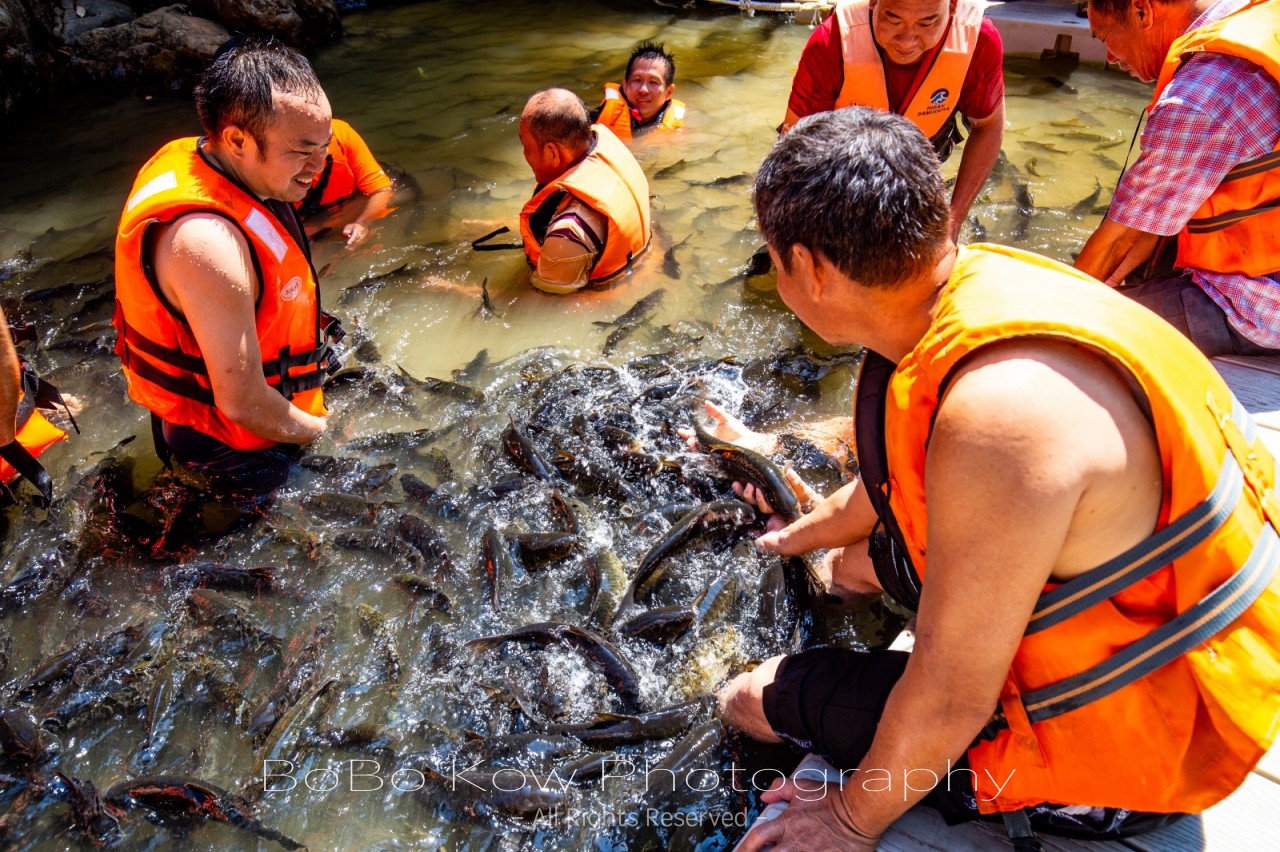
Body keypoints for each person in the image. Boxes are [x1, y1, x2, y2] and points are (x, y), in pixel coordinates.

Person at [711, 109, 1280, 851]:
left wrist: (850, 818)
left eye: (774, 257)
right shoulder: (975, 290)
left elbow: (950, 695)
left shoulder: (997, 420)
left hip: (1139, 743)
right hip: (1168, 634)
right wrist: (794, 536)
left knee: (748, 699)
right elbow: (890, 486)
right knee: (848, 565)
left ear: (811, 269)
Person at [113, 39, 345, 497]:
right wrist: (325, 433)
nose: (320, 166)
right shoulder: (207, 244)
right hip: (228, 446)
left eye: (325, 146)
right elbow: (241, 403)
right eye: (302, 152)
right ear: (238, 139)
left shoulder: (210, 160)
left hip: (258, 410)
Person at [1074, 0, 1280, 358]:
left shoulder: (1199, 97)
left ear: (1142, 12)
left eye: (1104, 35)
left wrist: (1057, 309)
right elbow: (1147, 222)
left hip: (1263, 308)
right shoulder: (1258, 17)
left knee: (1079, 334)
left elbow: (1119, 239)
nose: (1108, 56)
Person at [782, 0, 1004, 240]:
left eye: (927, 22)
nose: (906, 41)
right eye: (893, 20)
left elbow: (988, 125)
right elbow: (794, 156)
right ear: (873, 2)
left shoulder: (979, 40)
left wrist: (954, 219)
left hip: (922, 156)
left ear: (952, 7)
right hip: (843, 170)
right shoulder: (830, 42)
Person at [516, 88, 651, 294]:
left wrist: (453, 289)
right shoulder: (605, 148)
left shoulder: (568, 233)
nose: (524, 154)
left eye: (526, 147)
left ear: (553, 153)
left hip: (602, 297)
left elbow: (545, 303)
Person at [296, 117, 393, 248]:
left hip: (344, 210)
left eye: (325, 146)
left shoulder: (340, 134)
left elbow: (382, 190)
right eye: (304, 152)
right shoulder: (265, 161)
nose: (317, 166)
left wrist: (363, 223)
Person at [591, 42, 685, 143]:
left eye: (653, 82)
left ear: (669, 92)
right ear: (625, 86)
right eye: (637, 80)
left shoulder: (678, 124)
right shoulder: (597, 119)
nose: (643, 90)